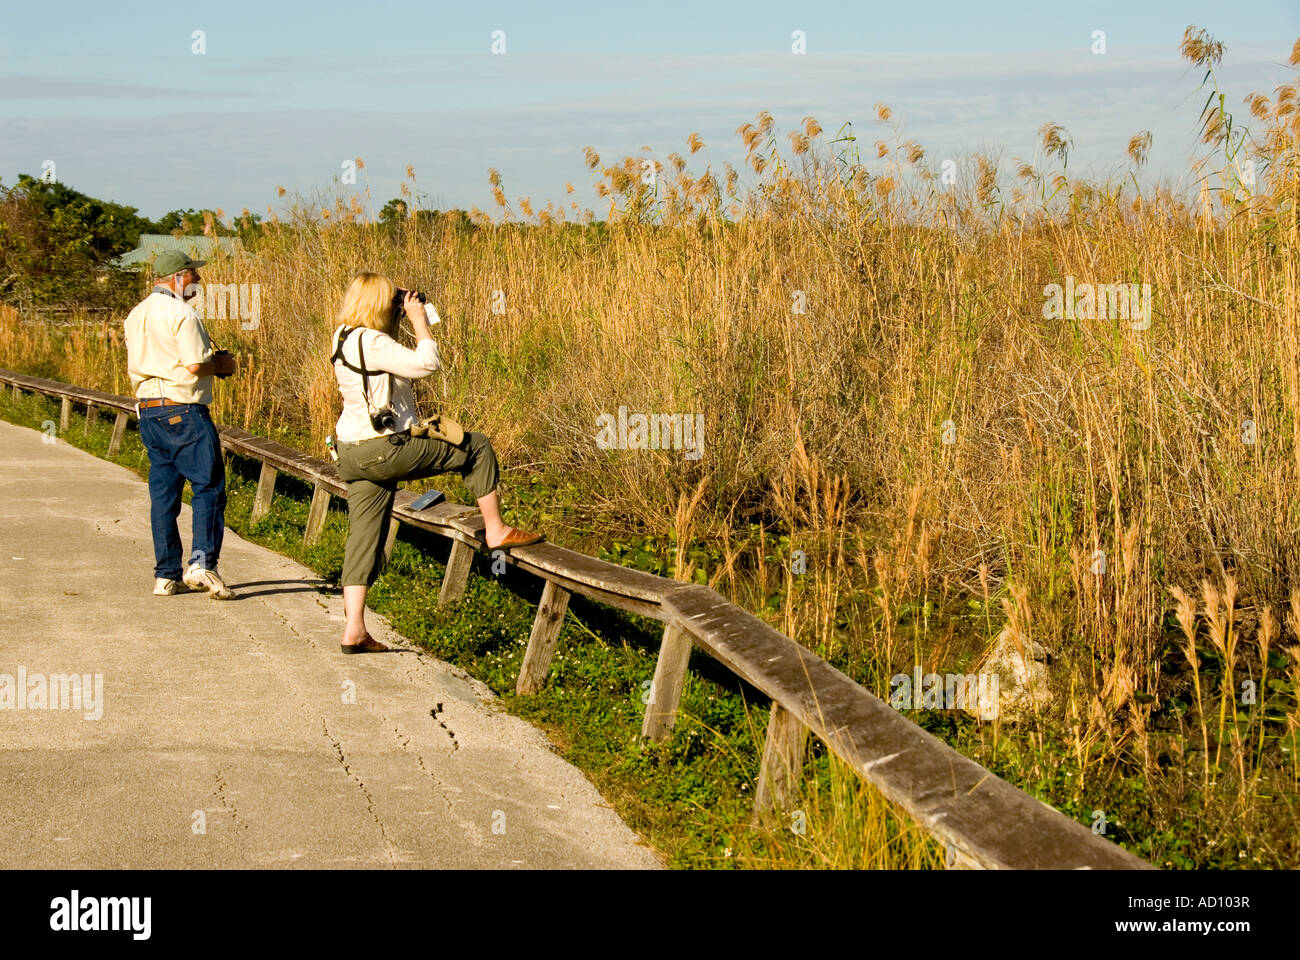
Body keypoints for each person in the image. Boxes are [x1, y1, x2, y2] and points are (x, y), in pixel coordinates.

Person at [331, 271, 542, 653]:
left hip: (352, 452)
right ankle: (495, 530)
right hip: (384, 449)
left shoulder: (343, 336)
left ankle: (354, 630)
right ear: (379, 304)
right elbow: (427, 363)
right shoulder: (375, 341)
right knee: (476, 446)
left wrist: (398, 309)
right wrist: (417, 319)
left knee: (363, 536)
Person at [123, 249, 238, 599]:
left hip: (149, 410)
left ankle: (166, 575)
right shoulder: (182, 313)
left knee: (164, 495)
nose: (198, 279)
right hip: (184, 409)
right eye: (193, 273)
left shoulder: (135, 314)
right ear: (177, 277)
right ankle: (202, 564)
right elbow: (194, 365)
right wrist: (221, 365)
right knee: (208, 487)